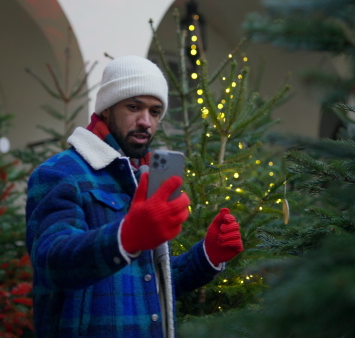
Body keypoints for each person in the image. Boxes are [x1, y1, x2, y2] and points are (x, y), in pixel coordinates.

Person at [25, 55, 244, 337]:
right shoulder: (59, 172)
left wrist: (206, 256)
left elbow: (147, 283)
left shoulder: (144, 174)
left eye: (154, 112)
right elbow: (50, 262)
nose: (146, 122)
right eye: (133, 107)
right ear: (106, 109)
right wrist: (126, 236)